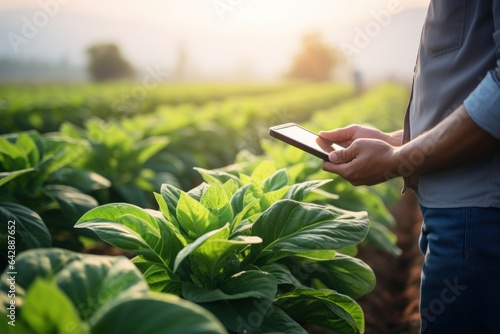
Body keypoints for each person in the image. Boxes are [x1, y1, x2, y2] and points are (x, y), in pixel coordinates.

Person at [319, 1, 500, 333]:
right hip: (459, 216)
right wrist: (397, 143)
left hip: (478, 219)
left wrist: (395, 161)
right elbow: (459, 99)